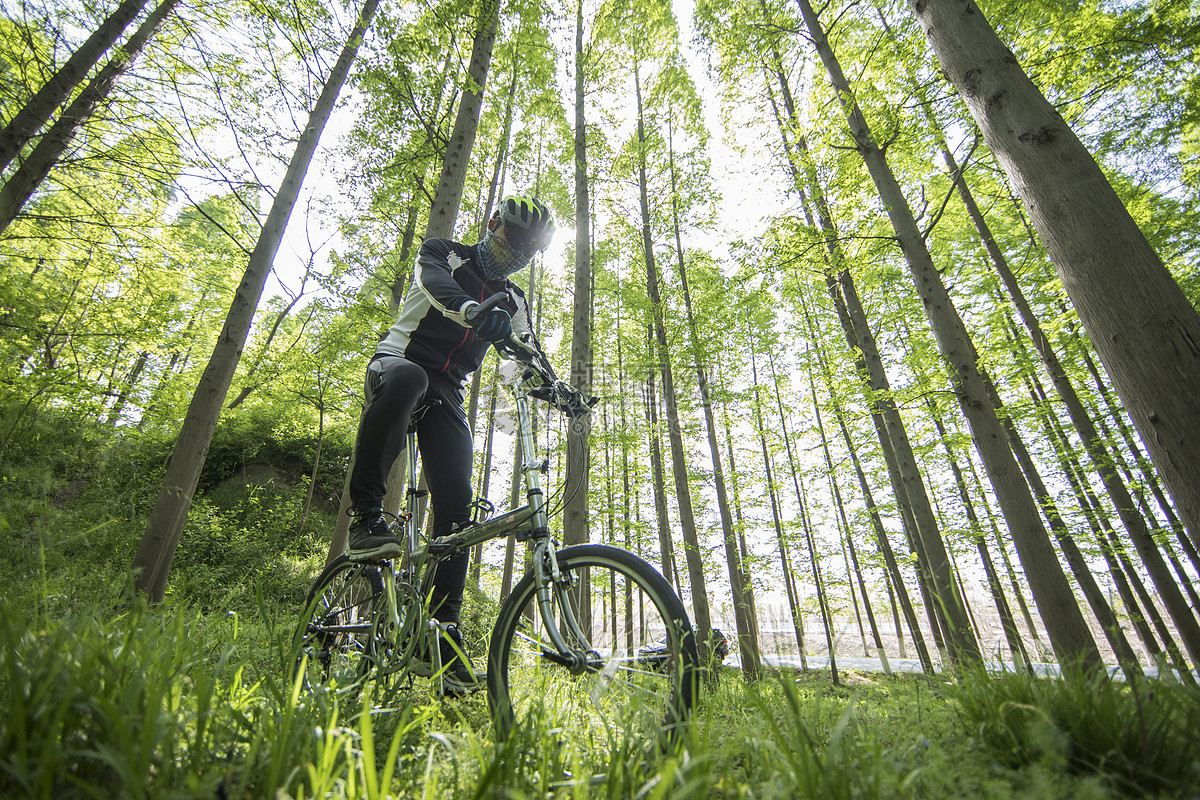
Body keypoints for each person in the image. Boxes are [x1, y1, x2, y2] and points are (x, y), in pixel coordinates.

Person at [346, 195, 555, 695]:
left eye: (532, 247)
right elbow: (436, 287)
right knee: (409, 379)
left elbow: (525, 352)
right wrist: (470, 309)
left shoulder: (515, 300)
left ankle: (441, 633)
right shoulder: (444, 252)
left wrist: (558, 388)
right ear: (492, 225)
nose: (521, 250)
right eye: (515, 237)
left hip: (447, 393)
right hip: (397, 363)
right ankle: (366, 517)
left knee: (458, 509)